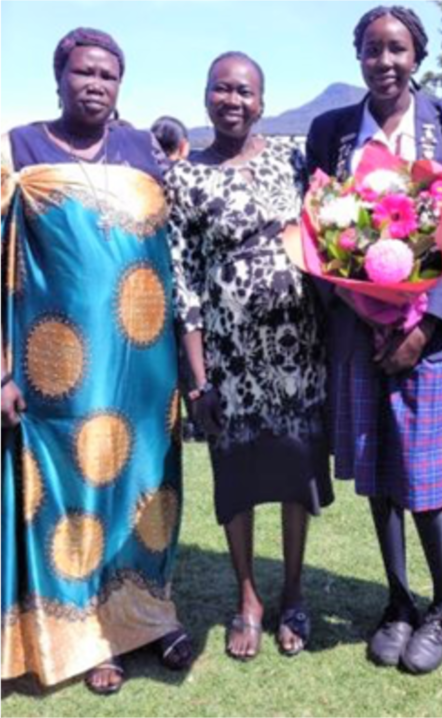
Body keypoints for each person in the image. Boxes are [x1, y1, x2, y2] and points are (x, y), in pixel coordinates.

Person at [0, 27, 192, 695]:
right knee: (75, 492)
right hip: (60, 370)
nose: (96, 84)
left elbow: (178, 246)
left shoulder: (143, 150)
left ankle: (148, 616)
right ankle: (87, 636)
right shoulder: (19, 147)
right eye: (84, 72)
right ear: (59, 76)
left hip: (146, 368)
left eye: (108, 75)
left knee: (147, 487)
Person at [304, 5, 442, 675]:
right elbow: (317, 228)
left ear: (418, 56)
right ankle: (399, 602)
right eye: (373, 49)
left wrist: (426, 326)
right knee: (378, 471)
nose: (385, 61)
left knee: (426, 478)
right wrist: (356, 299)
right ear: (358, 56)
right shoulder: (331, 130)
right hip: (358, 332)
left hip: (430, 338)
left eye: (398, 48)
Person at [166, 51, 330, 661]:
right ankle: (248, 598)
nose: (232, 100)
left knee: (295, 472)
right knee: (235, 476)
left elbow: (324, 235)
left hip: (297, 353)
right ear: (205, 96)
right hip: (229, 360)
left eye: (244, 91)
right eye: (221, 89)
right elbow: (183, 281)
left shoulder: (292, 159)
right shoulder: (183, 178)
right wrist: (198, 380)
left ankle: (293, 591)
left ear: (262, 102)